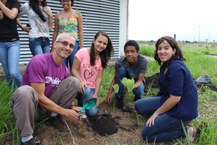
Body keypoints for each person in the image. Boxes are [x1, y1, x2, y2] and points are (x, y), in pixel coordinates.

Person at [10, 33, 81, 145]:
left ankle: (53, 117)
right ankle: (27, 138)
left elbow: (60, 92)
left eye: (71, 46)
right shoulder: (39, 61)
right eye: (64, 43)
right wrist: (65, 112)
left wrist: (71, 107)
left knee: (74, 81)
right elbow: (40, 97)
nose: (67, 47)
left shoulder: (65, 70)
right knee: (24, 92)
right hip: (30, 108)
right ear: (54, 44)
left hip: (46, 106)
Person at [135, 36, 198, 142]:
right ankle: (166, 122)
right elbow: (164, 90)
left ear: (173, 50)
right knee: (139, 105)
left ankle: (186, 131)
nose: (162, 51)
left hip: (182, 109)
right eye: (160, 48)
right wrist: (155, 106)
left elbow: (175, 98)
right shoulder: (165, 66)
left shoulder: (176, 68)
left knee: (146, 135)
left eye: (166, 48)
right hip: (168, 100)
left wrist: (156, 113)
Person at [72, 31, 113, 117]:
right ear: (94, 40)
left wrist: (95, 95)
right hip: (78, 85)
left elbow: (99, 77)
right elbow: (74, 69)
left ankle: (82, 105)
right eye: (99, 42)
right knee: (85, 90)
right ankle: (76, 105)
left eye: (104, 44)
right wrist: (81, 81)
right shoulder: (82, 52)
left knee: (93, 113)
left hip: (90, 88)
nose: (101, 45)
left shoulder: (102, 58)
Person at [106, 40, 148, 109]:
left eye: (132, 51)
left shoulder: (143, 61)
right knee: (121, 70)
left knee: (139, 90)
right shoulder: (120, 61)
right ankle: (119, 97)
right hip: (125, 78)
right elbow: (115, 78)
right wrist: (110, 93)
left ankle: (137, 97)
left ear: (137, 52)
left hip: (136, 81)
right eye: (127, 51)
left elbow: (140, 81)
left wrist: (130, 87)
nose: (129, 54)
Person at [52, 0, 83, 70]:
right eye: (63, 1)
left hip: (74, 44)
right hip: (61, 44)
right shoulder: (58, 15)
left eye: (67, 1)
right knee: (62, 67)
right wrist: (53, 47)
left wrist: (81, 47)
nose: (65, 3)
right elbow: (55, 32)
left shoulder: (77, 14)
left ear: (71, 1)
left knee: (74, 67)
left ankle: (75, 81)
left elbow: (80, 32)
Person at [0, 0, 22, 89]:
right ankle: (13, 96)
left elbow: (12, 15)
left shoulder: (14, 3)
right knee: (8, 74)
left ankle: (29, 90)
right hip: (1, 43)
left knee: (14, 72)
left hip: (13, 42)